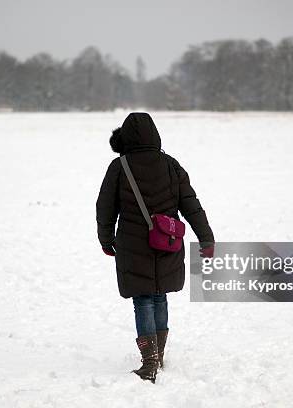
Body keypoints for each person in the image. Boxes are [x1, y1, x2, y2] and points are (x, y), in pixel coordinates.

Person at [96, 112, 214, 383]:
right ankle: (158, 356)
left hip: (132, 243)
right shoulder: (171, 164)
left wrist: (105, 239)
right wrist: (206, 238)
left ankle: (149, 362)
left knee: (143, 299)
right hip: (167, 241)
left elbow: (105, 207)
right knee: (160, 295)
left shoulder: (119, 167)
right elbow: (191, 205)